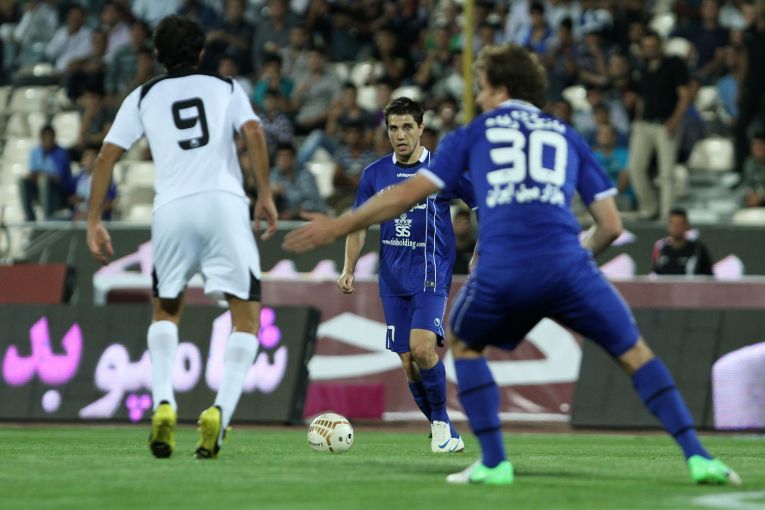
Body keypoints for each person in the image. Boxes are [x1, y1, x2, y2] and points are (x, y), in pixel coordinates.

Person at [284, 44, 741, 487]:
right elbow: (610, 224)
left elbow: (407, 194)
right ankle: (699, 457)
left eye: (482, 87)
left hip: (506, 270)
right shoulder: (565, 133)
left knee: (464, 344)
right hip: (569, 266)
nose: (479, 97)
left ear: (500, 88)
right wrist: (571, 263)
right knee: (635, 353)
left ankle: (494, 463)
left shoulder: (474, 134)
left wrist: (338, 225)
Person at [86, 15, 278, 460]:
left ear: (158, 56)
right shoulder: (226, 87)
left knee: (166, 309)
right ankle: (219, 415)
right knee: (246, 316)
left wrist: (94, 219)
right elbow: (253, 131)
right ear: (200, 52)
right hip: (223, 203)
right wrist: (265, 193)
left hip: (171, 208)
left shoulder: (143, 95)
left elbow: (105, 157)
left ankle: (163, 401)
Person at [337, 97, 475, 453]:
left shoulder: (442, 170)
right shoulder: (374, 174)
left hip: (430, 273)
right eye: (393, 128)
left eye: (407, 127)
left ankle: (441, 425)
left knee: (422, 349)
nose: (400, 135)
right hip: (392, 279)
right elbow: (359, 224)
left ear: (421, 128)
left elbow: (481, 204)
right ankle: (444, 430)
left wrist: (481, 250)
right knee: (408, 362)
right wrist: (349, 267)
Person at [628, 30, 692, 220]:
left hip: (666, 124)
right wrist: (637, 120)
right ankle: (649, 207)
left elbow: (684, 96)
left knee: (666, 174)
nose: (650, 50)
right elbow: (641, 98)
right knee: (635, 168)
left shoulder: (673, 64)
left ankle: (667, 216)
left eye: (653, 46)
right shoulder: (642, 67)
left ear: (660, 45)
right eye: (646, 46)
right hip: (644, 124)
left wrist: (675, 120)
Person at [18, 125, 72, 221]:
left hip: (58, 193)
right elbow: (32, 174)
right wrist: (41, 175)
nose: (48, 140)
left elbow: (59, 178)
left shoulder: (61, 153)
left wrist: (42, 175)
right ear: (41, 139)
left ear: (54, 138)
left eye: (50, 137)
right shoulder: (35, 152)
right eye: (45, 137)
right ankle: (30, 217)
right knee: (22, 180)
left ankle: (48, 216)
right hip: (39, 191)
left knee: (44, 179)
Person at [652, 208, 714, 276]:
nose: (675, 227)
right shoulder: (662, 250)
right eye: (672, 223)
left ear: (686, 226)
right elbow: (655, 275)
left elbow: (710, 277)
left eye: (679, 224)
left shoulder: (697, 250)